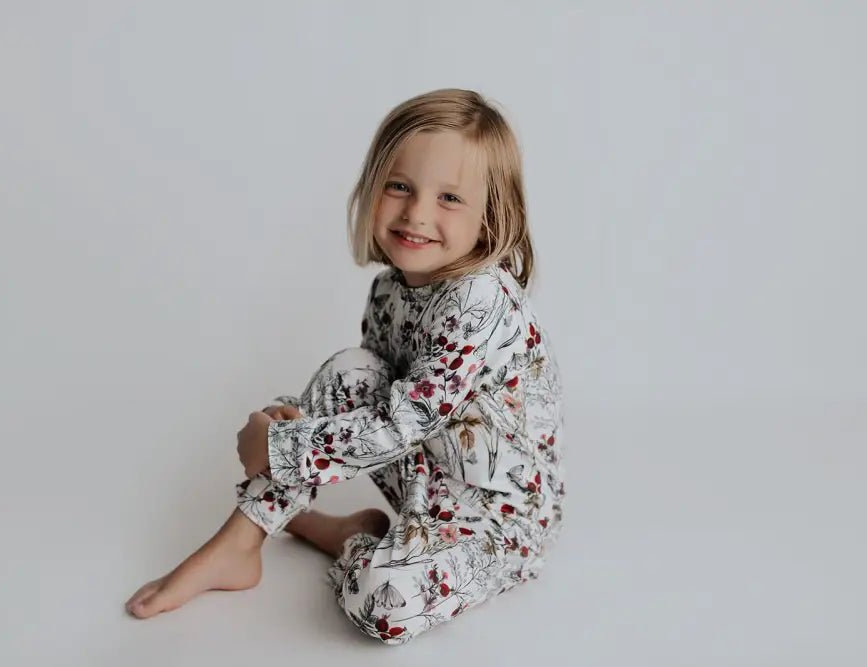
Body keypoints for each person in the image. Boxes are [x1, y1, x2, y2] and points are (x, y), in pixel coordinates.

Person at [125, 88, 566, 645]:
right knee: (352, 370)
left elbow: (404, 424)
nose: (417, 213)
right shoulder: (388, 290)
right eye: (399, 186)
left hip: (497, 519)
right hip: (423, 478)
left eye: (450, 198)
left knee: (382, 603)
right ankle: (240, 541)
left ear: (490, 217)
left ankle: (348, 540)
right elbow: (367, 398)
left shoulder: (479, 300)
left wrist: (282, 448)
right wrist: (292, 421)